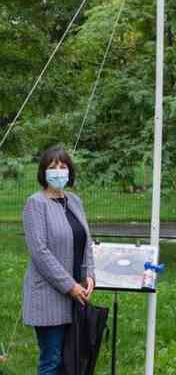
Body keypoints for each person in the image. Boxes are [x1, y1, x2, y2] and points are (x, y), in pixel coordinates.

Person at [22, 146, 95, 375]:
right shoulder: (35, 204)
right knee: (51, 361)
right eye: (52, 167)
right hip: (48, 296)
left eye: (62, 167)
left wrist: (90, 275)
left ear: (69, 171)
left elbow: (87, 241)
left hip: (77, 295)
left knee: (72, 359)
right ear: (43, 172)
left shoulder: (75, 201)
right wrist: (70, 286)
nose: (58, 171)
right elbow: (40, 252)